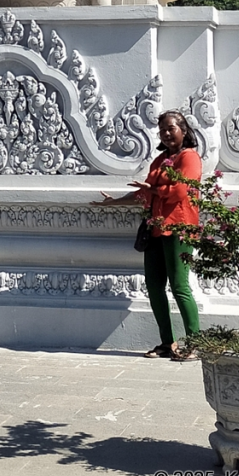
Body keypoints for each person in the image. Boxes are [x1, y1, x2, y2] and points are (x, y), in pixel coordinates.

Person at [92, 109, 202, 360]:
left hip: (179, 227)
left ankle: (196, 343)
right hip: (155, 228)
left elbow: (180, 192)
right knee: (154, 287)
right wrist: (114, 203)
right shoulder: (160, 161)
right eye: (162, 130)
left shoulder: (190, 157)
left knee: (180, 286)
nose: (165, 133)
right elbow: (145, 193)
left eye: (170, 128)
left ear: (183, 131)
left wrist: (153, 189)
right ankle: (167, 343)